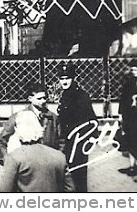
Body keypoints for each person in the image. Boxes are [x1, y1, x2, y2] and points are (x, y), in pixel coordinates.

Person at [0, 109, 74, 193]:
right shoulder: (59, 156)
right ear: (39, 128)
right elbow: (70, 189)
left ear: (17, 129)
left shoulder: (14, 158)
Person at [55, 63, 97, 191]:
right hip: (67, 140)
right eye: (62, 78)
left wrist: (86, 141)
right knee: (68, 176)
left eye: (67, 78)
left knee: (78, 176)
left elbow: (90, 119)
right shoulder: (66, 94)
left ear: (73, 78)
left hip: (78, 142)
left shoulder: (81, 96)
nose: (64, 81)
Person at [0, 81, 59, 165]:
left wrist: (57, 161)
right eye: (39, 98)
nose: (43, 101)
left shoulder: (53, 118)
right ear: (30, 98)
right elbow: (2, 140)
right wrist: (7, 161)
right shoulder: (19, 117)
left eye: (45, 98)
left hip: (49, 164)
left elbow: (61, 141)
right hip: (27, 165)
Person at [118, 63, 137, 182]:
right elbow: (123, 99)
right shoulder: (129, 83)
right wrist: (120, 114)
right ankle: (133, 167)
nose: (134, 71)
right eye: (132, 69)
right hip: (130, 118)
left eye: (136, 69)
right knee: (131, 141)